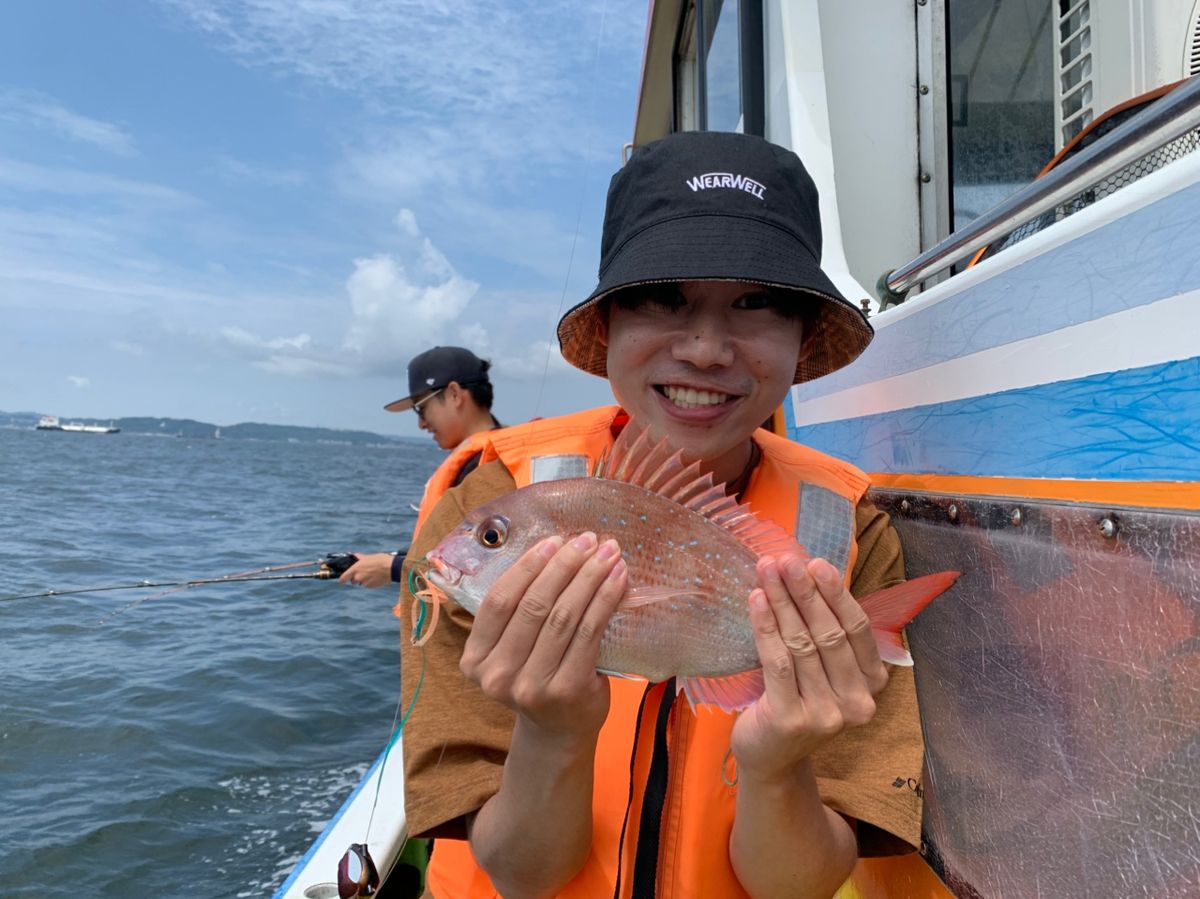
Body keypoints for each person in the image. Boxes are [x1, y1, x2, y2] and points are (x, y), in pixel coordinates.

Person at [397, 132, 926, 899]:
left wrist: (776, 762)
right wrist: (552, 729)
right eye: (661, 296)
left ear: (803, 336)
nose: (706, 349)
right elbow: (521, 872)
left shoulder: (852, 531)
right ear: (607, 323)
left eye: (757, 301)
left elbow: (796, 887)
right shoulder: (484, 502)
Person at [339, 346, 502, 588]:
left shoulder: (487, 466)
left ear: (454, 394)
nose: (421, 424)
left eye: (421, 408)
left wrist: (391, 568)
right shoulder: (494, 456)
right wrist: (393, 560)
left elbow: (481, 564)